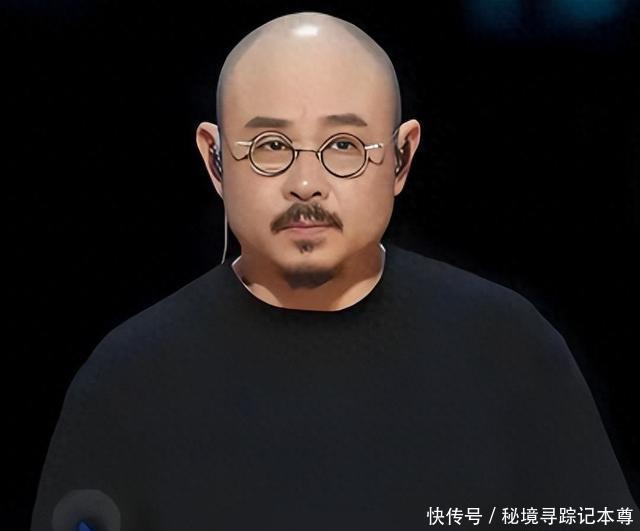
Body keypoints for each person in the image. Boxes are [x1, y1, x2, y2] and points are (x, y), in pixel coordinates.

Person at [31, 11, 638, 531]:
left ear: (401, 158)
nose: (305, 183)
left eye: (344, 146)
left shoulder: (506, 346)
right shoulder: (130, 377)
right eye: (270, 146)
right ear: (215, 160)